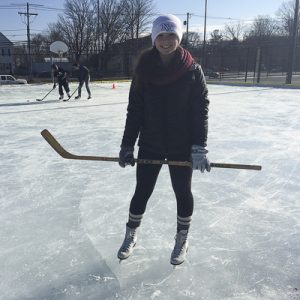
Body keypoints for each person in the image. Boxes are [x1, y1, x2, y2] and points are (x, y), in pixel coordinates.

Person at [117, 14, 210, 266]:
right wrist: (127, 144)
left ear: (178, 38)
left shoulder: (192, 71)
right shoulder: (143, 71)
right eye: (161, 35)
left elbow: (200, 110)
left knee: (183, 192)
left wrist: (199, 146)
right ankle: (131, 234)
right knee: (142, 191)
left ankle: (182, 238)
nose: (166, 40)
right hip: (151, 142)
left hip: (182, 145)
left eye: (171, 35)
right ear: (154, 38)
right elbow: (134, 110)